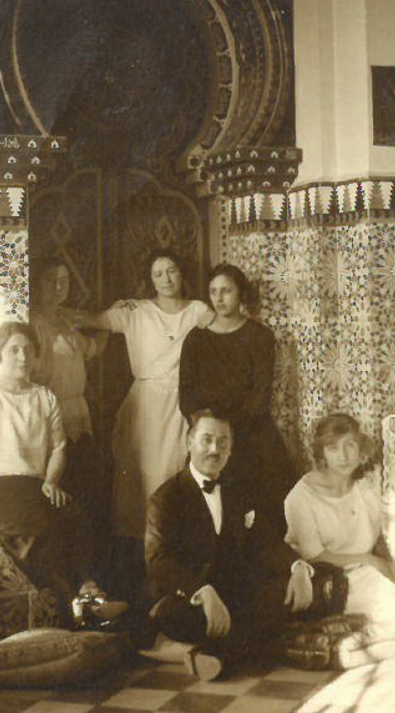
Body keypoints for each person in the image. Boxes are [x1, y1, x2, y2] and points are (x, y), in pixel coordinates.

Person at [0, 321, 127, 629]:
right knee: (45, 531)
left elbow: (58, 448)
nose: (22, 356)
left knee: (77, 515)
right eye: (13, 349)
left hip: (32, 485)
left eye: (28, 350)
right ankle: (75, 610)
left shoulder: (44, 397)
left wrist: (51, 481)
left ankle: (87, 588)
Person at [143, 408, 314, 680]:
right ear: (189, 442)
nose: (215, 449)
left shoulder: (238, 489)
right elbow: (159, 562)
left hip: (235, 595)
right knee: (175, 615)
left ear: (231, 449)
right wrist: (202, 591)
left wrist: (297, 567)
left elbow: (265, 540)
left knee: (287, 592)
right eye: (206, 439)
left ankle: (214, 653)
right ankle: (255, 644)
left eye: (223, 442)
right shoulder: (166, 498)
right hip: (190, 600)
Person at [73, 250, 211, 547]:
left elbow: (226, 329)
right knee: (140, 479)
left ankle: (172, 548)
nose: (166, 279)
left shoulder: (197, 311)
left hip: (180, 404)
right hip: (145, 406)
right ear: (150, 280)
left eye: (171, 270)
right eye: (158, 274)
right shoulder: (137, 312)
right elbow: (87, 320)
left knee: (173, 474)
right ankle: (141, 553)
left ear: (181, 272)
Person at [284, 413, 395, 666]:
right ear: (321, 453)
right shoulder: (300, 497)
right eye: (333, 447)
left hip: (365, 572)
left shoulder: (368, 483)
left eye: (350, 445)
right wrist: (369, 560)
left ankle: (348, 647)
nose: (344, 455)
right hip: (326, 579)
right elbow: (314, 556)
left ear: (360, 449)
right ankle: (346, 652)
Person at [179, 263, 295, 532]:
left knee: (265, 513)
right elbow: (186, 394)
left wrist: (229, 429)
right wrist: (208, 428)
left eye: (226, 291)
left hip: (252, 433)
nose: (219, 298)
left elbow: (260, 395)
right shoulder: (196, 339)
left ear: (240, 293)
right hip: (210, 435)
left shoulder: (260, 336)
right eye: (213, 291)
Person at [30, 257, 107, 570]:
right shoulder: (34, 322)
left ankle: (86, 578)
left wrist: (114, 325)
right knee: (58, 498)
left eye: (64, 281)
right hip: (52, 415)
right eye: (52, 280)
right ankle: (63, 577)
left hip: (79, 415)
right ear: (38, 283)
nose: (59, 287)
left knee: (84, 496)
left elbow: (92, 349)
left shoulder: (67, 319)